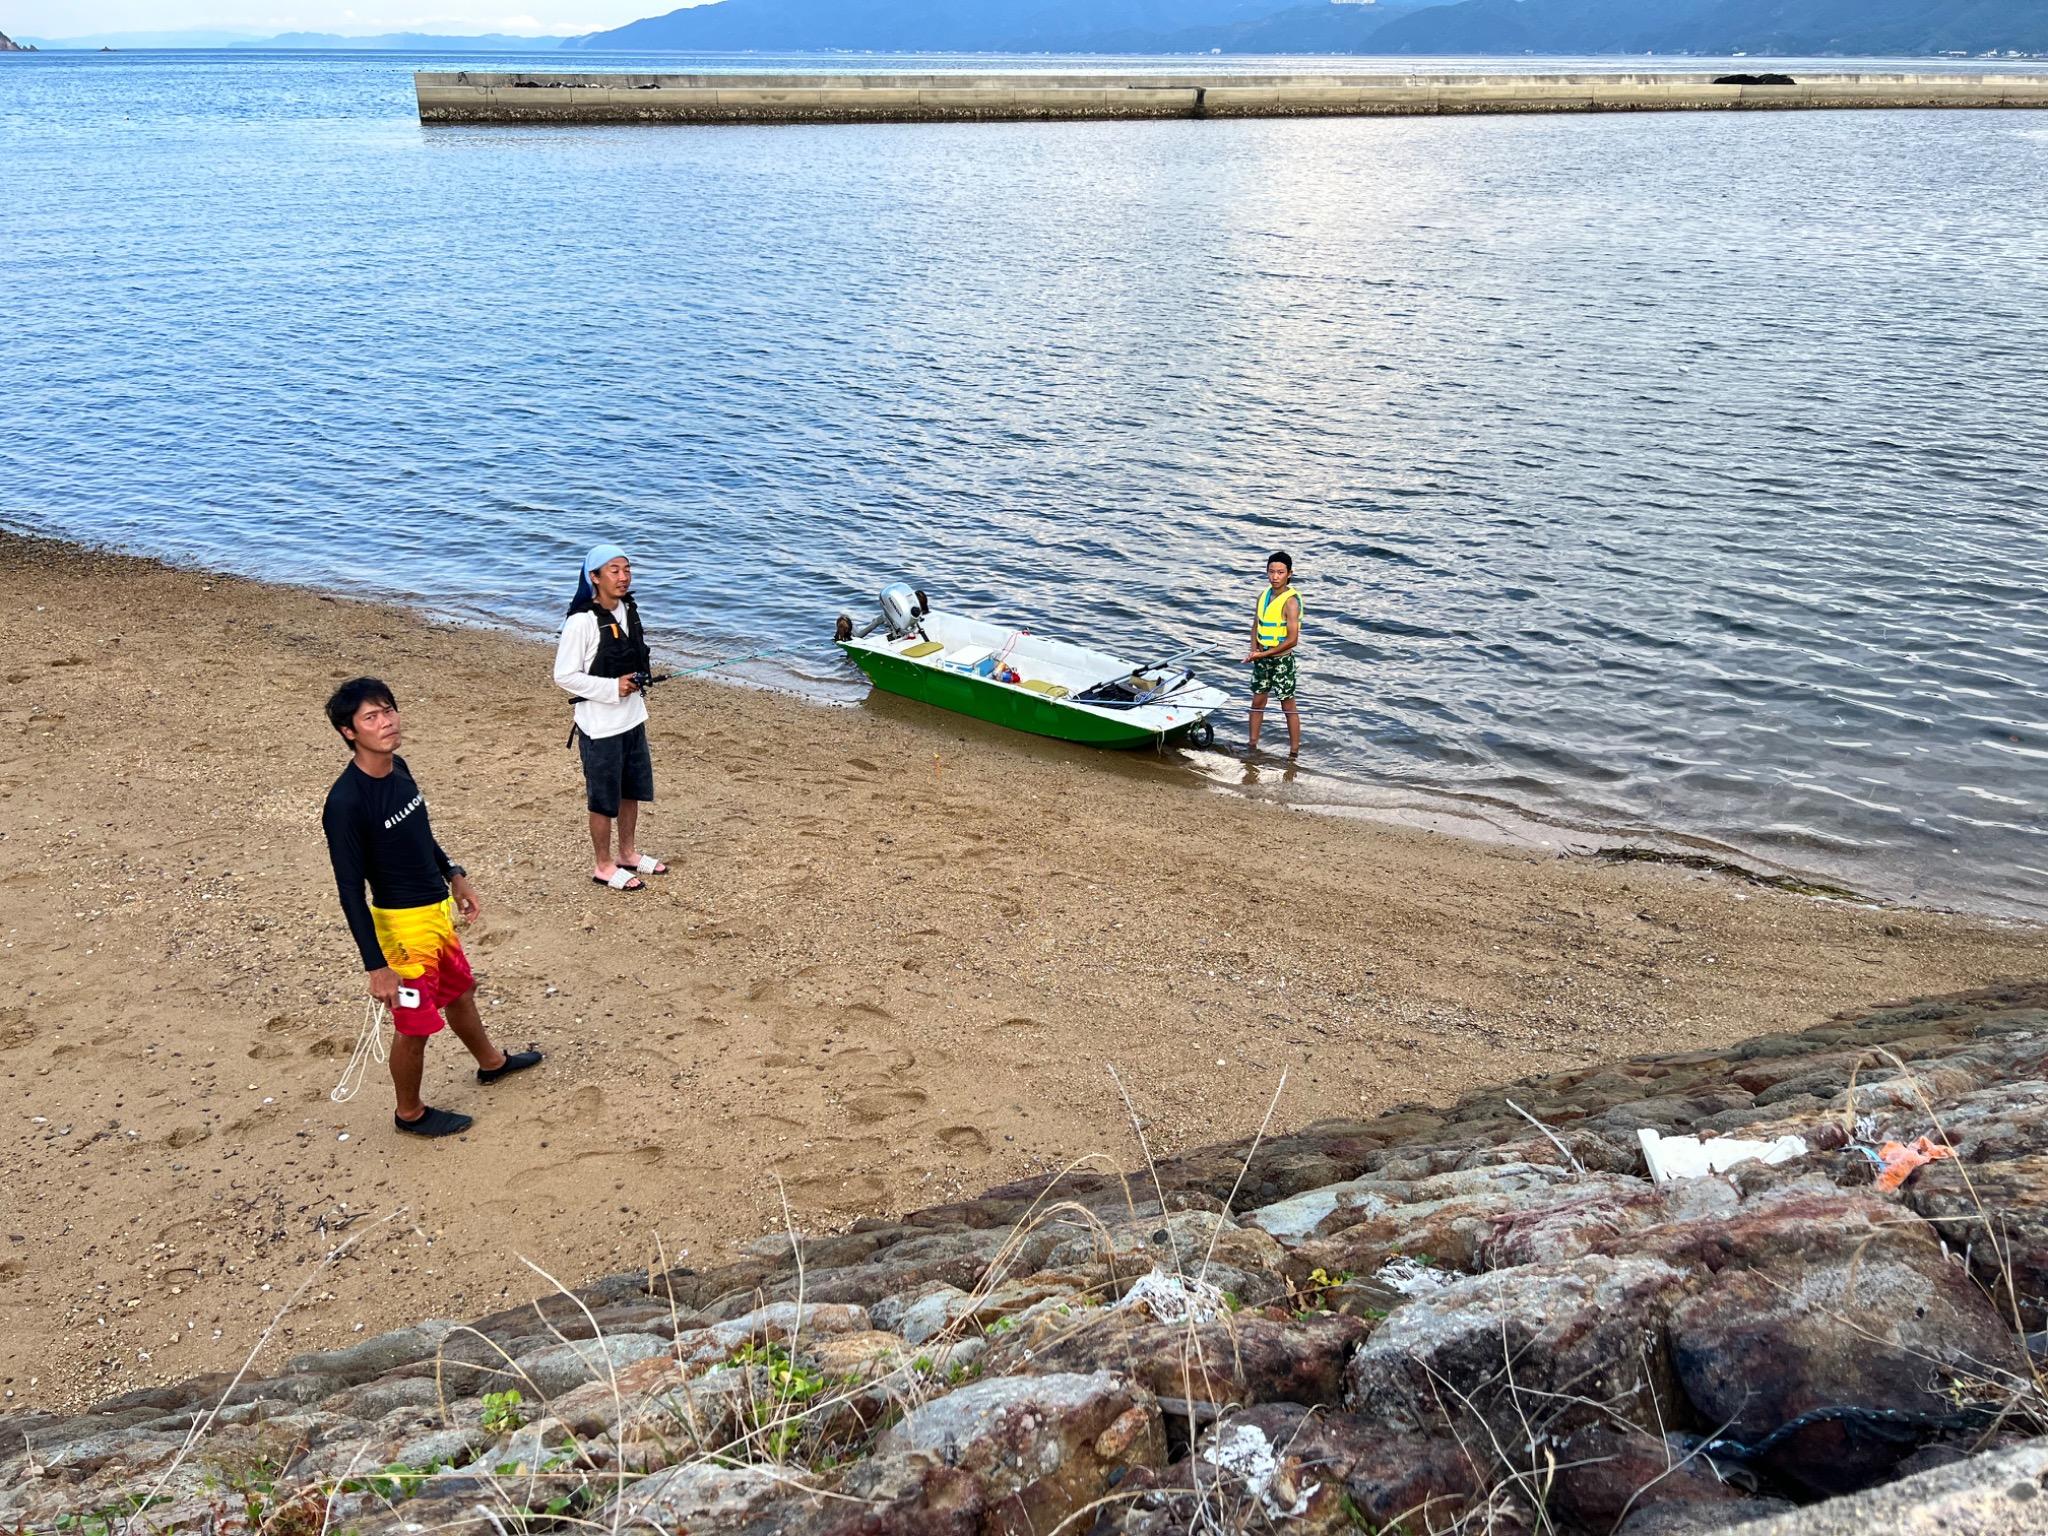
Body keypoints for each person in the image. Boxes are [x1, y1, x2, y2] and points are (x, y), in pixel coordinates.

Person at [321, 677, 541, 1137]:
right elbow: (348, 890)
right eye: (371, 717)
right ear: (349, 732)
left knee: (461, 991)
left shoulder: (398, 767)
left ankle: (492, 1063)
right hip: (403, 932)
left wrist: (454, 874)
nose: (386, 722)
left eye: (388, 711)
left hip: (435, 912)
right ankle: (410, 1114)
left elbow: (420, 833)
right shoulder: (346, 802)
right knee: (415, 1022)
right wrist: (376, 967)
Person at [554, 543, 669, 892]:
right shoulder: (581, 622)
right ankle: (603, 865)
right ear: (594, 577)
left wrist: (635, 680)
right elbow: (564, 675)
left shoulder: (629, 610)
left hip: (633, 719)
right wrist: (611, 688)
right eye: (614, 570)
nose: (623, 576)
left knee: (631, 790)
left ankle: (627, 853)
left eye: (627, 569)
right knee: (603, 799)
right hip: (599, 726)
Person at [1245, 550, 1302, 757]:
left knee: (1288, 706)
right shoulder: (1263, 595)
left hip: (1281, 661)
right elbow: (1255, 625)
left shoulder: (1291, 602)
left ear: (1289, 573)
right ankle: (1251, 746)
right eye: (1271, 572)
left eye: (1280, 572)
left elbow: (1292, 639)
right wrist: (1254, 650)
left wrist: (1265, 655)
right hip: (1261, 660)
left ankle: (1294, 753)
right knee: (1257, 702)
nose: (1275, 577)